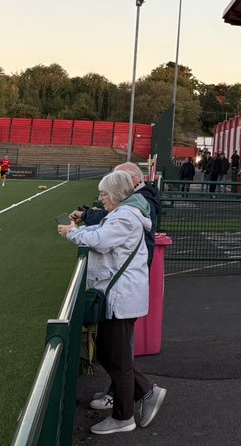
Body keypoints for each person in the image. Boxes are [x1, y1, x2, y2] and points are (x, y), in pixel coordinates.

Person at [58, 170, 167, 434]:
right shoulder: (124, 214)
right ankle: (146, 393)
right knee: (111, 354)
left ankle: (124, 416)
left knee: (114, 357)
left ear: (117, 194)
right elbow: (102, 231)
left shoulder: (126, 216)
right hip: (119, 296)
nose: (100, 198)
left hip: (121, 297)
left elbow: (101, 239)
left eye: (103, 193)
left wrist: (73, 233)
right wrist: (80, 229)